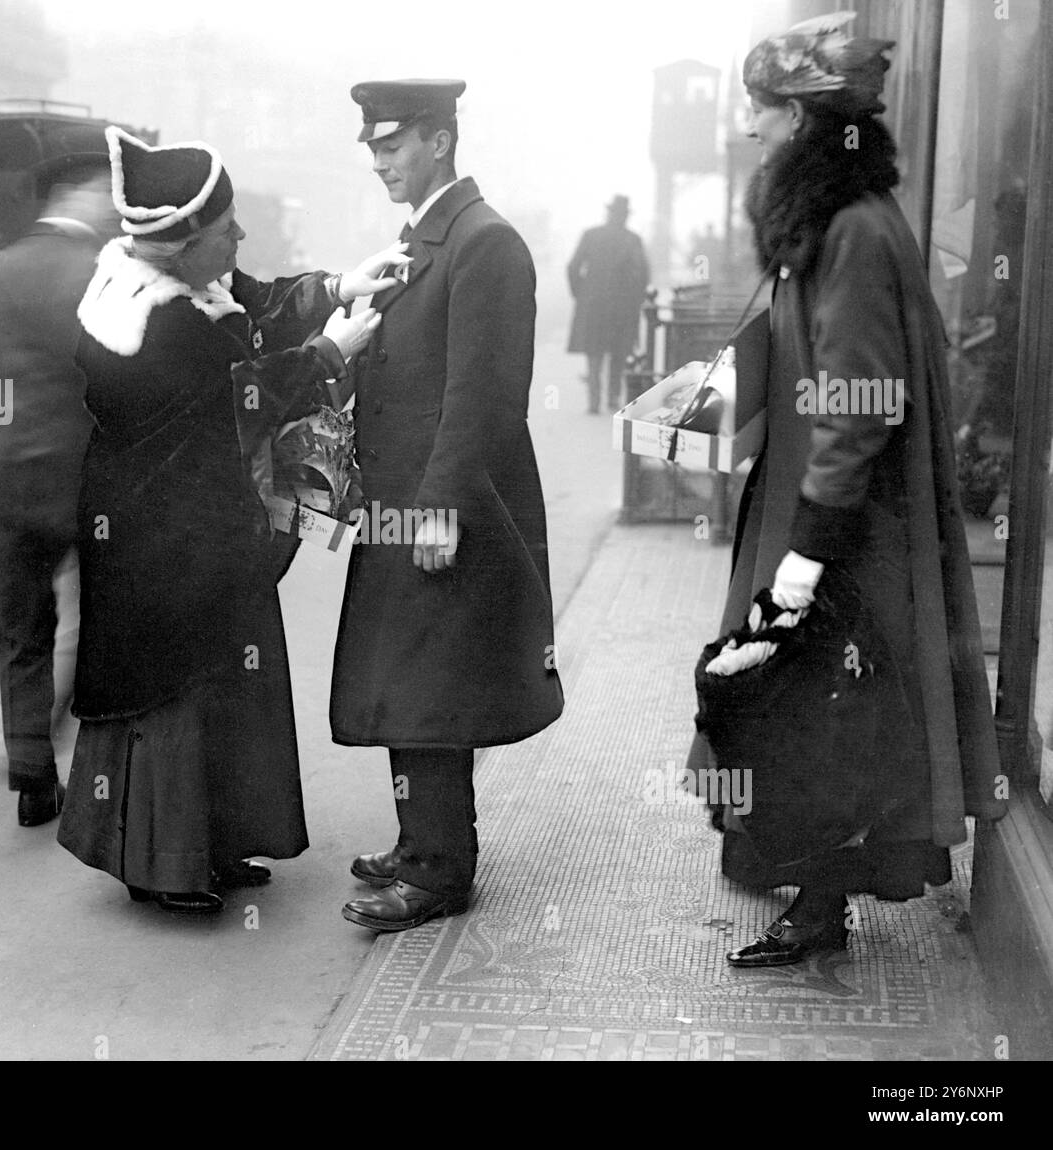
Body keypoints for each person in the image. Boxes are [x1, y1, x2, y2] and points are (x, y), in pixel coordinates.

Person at [686, 12, 1004, 967]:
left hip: (844, 526)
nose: (751, 128)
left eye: (763, 110)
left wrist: (805, 553)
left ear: (806, 121)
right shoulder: (841, 223)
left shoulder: (851, 233)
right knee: (813, 697)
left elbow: (860, 407)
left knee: (822, 701)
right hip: (823, 508)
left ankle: (822, 908)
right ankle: (803, 878)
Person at [56, 128, 406, 913]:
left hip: (186, 531)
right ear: (180, 247)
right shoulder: (157, 324)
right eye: (226, 232)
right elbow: (235, 398)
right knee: (176, 687)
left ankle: (207, 846)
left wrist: (342, 284)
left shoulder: (176, 286)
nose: (239, 239)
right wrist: (328, 355)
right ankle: (167, 867)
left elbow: (259, 305)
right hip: (160, 543)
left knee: (218, 678)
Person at [335, 79, 564, 933]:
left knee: (431, 682)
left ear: (441, 139)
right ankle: (419, 838)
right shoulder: (430, 237)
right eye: (372, 147)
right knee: (407, 674)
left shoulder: (484, 243)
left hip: (438, 504)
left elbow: (487, 397)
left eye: (393, 144)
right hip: (402, 500)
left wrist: (438, 508)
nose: (380, 160)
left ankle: (437, 871)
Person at [0, 151, 120, 828]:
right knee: (104, 624)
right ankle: (99, 768)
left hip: (9, 480)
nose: (111, 205)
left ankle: (32, 772)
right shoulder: (102, 271)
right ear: (77, 193)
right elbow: (126, 379)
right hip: (89, 479)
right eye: (103, 192)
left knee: (22, 633)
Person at [567, 195, 649, 413]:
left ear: (609, 213)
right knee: (618, 353)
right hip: (622, 307)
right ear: (625, 215)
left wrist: (581, 294)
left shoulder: (591, 235)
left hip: (593, 305)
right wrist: (634, 299)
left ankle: (593, 402)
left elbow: (573, 267)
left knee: (594, 353)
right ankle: (612, 398)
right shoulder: (633, 240)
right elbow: (643, 275)